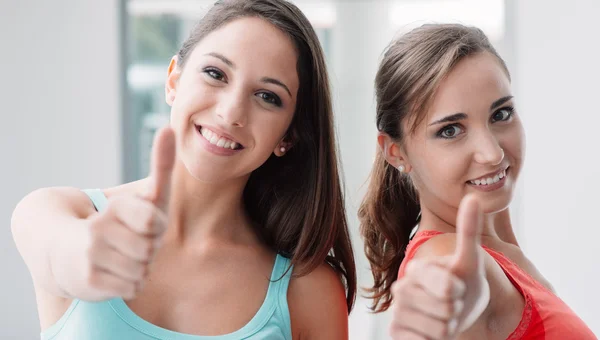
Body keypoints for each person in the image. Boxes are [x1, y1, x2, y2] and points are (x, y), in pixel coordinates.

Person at [11, 1, 356, 339]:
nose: (230, 112)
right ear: (173, 81)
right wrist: (86, 255)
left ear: (289, 136)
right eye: (215, 74)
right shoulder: (55, 212)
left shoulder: (308, 292)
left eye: (267, 96)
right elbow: (60, 255)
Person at [359, 23, 596, 339]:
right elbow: (451, 286)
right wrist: (448, 307)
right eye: (450, 131)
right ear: (396, 152)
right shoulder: (447, 255)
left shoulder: (503, 254)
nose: (492, 153)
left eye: (500, 114)